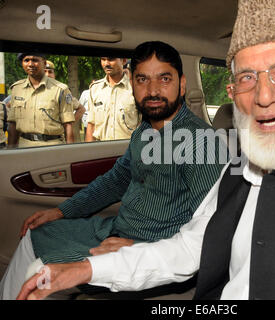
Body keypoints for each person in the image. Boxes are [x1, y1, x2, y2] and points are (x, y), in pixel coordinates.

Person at [16, 0, 275, 301]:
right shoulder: (236, 174)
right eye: (246, 77)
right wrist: (88, 267)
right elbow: (189, 248)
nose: (263, 96)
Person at [0, 41, 226, 300]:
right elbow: (116, 180)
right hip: (115, 231)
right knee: (34, 235)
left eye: (164, 78)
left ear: (182, 84)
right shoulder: (144, 131)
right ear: (132, 84)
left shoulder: (202, 142)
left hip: (149, 248)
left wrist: (140, 248)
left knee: (40, 272)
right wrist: (61, 211)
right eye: (142, 79)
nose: (153, 90)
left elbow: (211, 226)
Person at [7, 53, 75, 148]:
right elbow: (13, 124)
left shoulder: (60, 89)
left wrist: (70, 153)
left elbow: (68, 125)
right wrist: (11, 151)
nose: (30, 64)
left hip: (52, 146)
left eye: (35, 60)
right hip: (24, 146)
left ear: (44, 62)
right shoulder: (17, 89)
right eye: (26, 60)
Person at [85, 56, 141, 142]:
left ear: (124, 61)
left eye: (111, 59)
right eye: (103, 59)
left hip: (128, 150)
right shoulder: (95, 89)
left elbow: (143, 125)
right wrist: (88, 152)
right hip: (101, 149)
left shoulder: (135, 88)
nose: (106, 64)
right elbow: (91, 125)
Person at [45, 60, 86, 143]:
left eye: (50, 72)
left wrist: (67, 124)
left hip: (55, 140)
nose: (47, 75)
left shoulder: (61, 91)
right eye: (44, 71)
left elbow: (81, 109)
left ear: (54, 74)